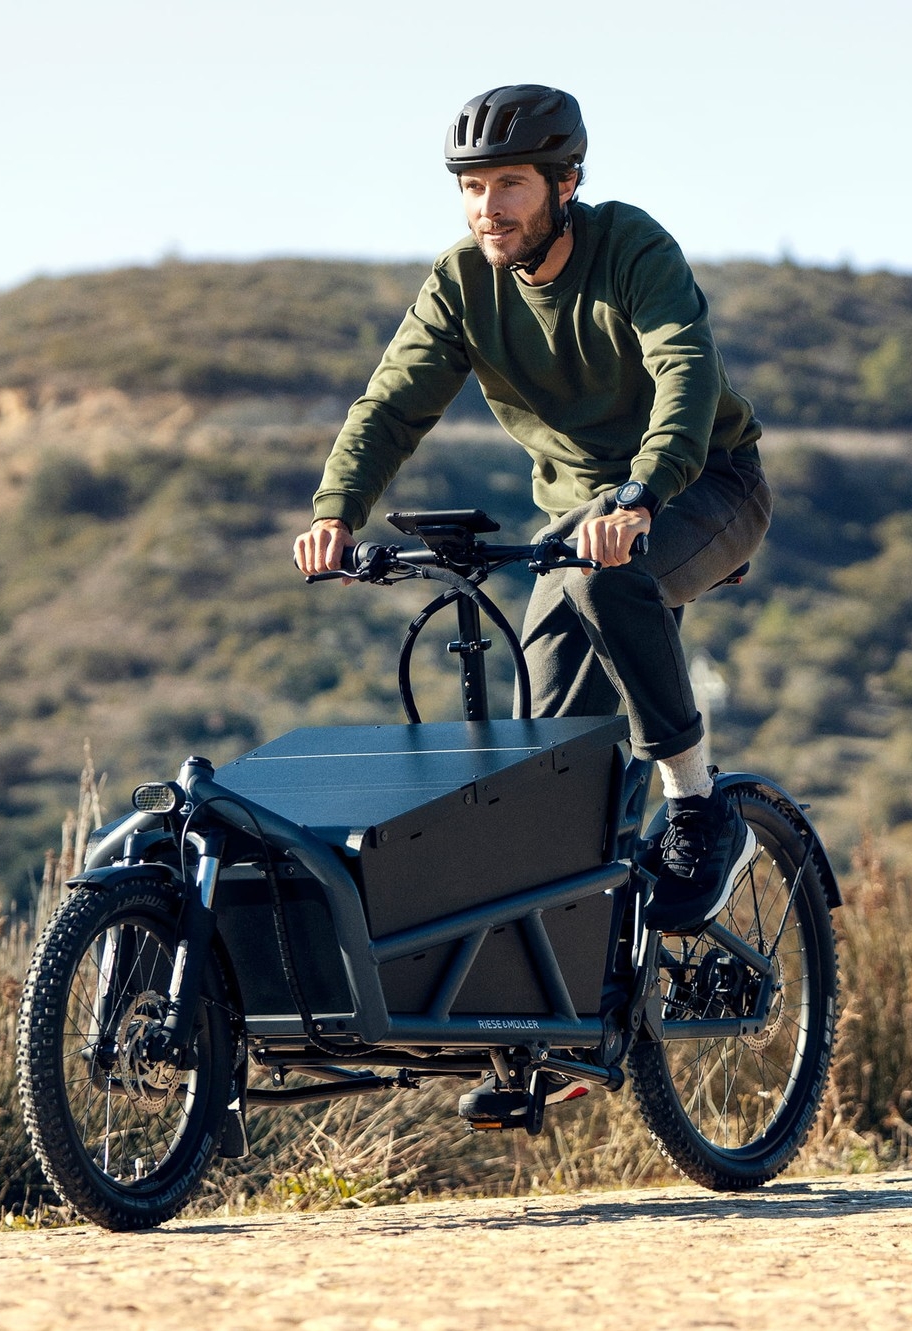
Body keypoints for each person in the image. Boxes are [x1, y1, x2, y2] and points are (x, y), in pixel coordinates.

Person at [292, 85, 769, 940]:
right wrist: (338, 510)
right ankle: (557, 1039)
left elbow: (684, 374)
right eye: (472, 188)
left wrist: (640, 492)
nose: (488, 208)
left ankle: (699, 808)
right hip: (576, 521)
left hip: (703, 484)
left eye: (509, 184)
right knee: (547, 761)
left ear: (565, 183)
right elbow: (392, 405)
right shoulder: (462, 282)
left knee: (607, 576)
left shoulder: (630, 247)